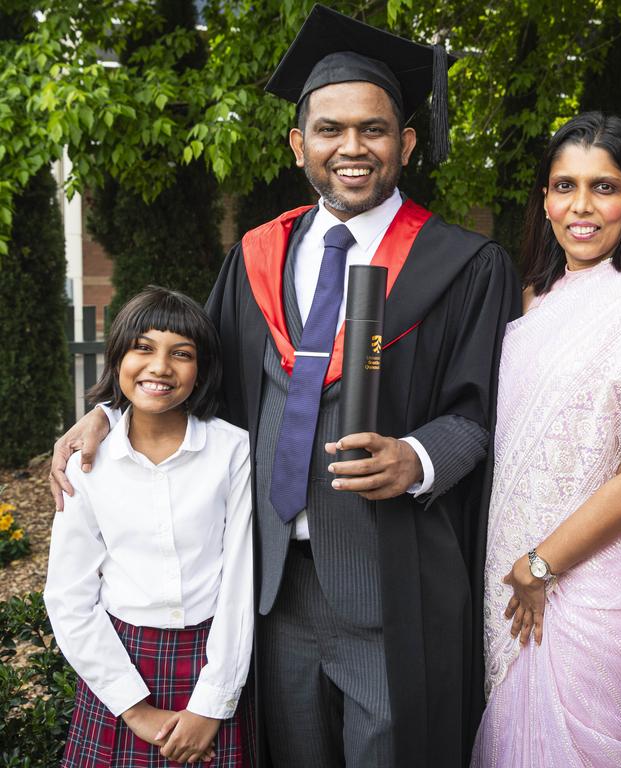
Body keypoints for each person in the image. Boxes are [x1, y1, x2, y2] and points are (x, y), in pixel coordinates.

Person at [50, 6, 519, 767]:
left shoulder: (464, 265)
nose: (352, 148)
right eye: (330, 130)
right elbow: (186, 371)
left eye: (373, 129)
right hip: (268, 587)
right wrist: (106, 413)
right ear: (300, 144)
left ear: (404, 143)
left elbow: (482, 410)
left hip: (391, 575)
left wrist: (418, 457)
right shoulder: (258, 255)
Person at [471, 112, 621, 768]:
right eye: (563, 186)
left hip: (586, 586)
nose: (581, 206)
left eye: (603, 188)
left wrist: (540, 564)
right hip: (515, 586)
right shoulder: (535, 302)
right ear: (545, 199)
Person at [44, 286, 253, 767]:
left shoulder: (232, 452)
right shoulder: (86, 464)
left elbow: (240, 582)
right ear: (117, 357)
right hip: (119, 664)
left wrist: (210, 705)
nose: (160, 367)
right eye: (143, 347)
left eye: (181, 354)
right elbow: (68, 595)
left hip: (210, 664)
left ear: (201, 370)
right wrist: (134, 709)